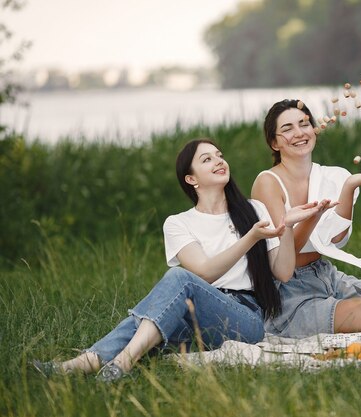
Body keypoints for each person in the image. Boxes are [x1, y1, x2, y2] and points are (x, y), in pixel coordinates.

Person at [33, 139, 322, 382]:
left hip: (244, 319)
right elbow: (205, 273)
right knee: (149, 322)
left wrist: (287, 227)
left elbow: (283, 273)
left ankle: (121, 363)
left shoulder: (254, 210)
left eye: (220, 156)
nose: (219, 161)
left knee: (177, 280)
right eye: (207, 159)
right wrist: (251, 238)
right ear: (191, 178)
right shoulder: (178, 223)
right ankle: (74, 368)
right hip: (197, 316)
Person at [250, 99, 361, 338]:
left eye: (304, 124)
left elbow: (337, 238)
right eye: (287, 129)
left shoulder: (331, 176)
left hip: (324, 273)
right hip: (289, 291)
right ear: (274, 142)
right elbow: (284, 262)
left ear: (314, 130)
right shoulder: (268, 182)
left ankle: (338, 310)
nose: (299, 133)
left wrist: (349, 187)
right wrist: (313, 217)